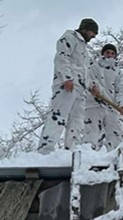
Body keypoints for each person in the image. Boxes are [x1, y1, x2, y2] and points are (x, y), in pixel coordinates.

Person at [37, 18, 98, 154]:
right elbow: (62, 57)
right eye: (92, 33)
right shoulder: (69, 38)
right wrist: (67, 78)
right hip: (67, 86)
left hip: (80, 90)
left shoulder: (84, 49)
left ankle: (71, 150)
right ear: (85, 29)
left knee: (76, 121)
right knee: (58, 116)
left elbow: (84, 70)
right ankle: (45, 150)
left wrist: (90, 86)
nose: (93, 36)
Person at [84, 43, 123, 150]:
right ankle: (87, 157)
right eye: (107, 52)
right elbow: (87, 80)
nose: (110, 55)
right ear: (103, 53)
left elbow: (120, 89)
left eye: (112, 53)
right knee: (92, 132)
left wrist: (122, 105)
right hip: (94, 104)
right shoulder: (93, 67)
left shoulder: (117, 72)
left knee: (115, 133)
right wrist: (93, 87)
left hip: (112, 107)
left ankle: (116, 157)